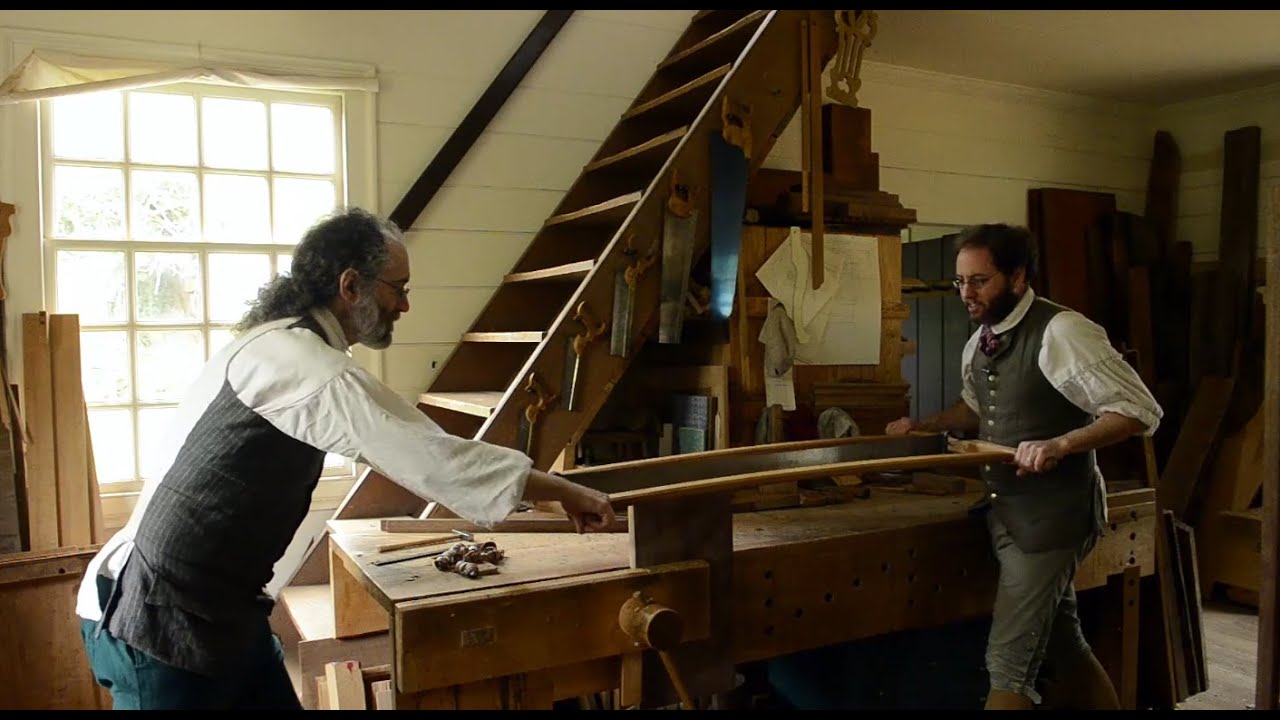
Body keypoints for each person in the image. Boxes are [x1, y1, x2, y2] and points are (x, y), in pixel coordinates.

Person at [76, 207, 616, 710]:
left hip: (221, 613)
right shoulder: (300, 361)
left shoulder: (272, 343)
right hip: (158, 621)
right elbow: (434, 459)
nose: (404, 305)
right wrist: (569, 491)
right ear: (350, 285)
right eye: (397, 289)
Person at [884, 223, 1162, 710]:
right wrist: (923, 425)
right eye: (960, 282)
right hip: (1006, 513)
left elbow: (1139, 411)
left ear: (1017, 277)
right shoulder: (982, 340)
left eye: (979, 281)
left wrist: (1063, 442)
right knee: (1063, 643)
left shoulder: (1063, 331)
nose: (966, 294)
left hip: (1053, 519)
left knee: (1008, 664)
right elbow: (976, 410)